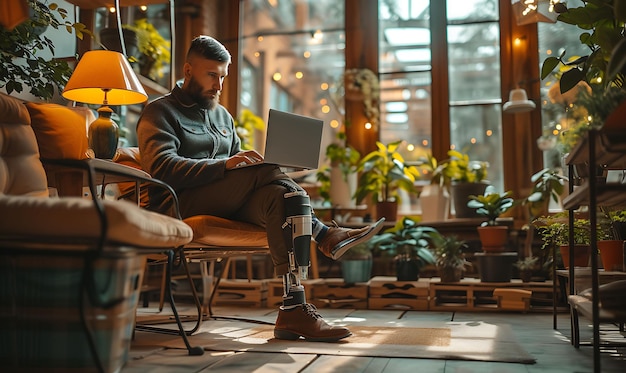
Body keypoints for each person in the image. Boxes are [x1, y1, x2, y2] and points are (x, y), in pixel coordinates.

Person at [136, 35, 384, 342]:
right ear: (188, 70)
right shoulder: (159, 111)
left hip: (224, 200)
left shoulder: (222, 116)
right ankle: (324, 234)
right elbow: (162, 168)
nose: (219, 85)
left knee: (287, 196)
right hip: (178, 204)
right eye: (211, 75)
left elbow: (241, 174)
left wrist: (245, 166)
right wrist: (227, 166)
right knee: (267, 170)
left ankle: (294, 307)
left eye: (223, 76)